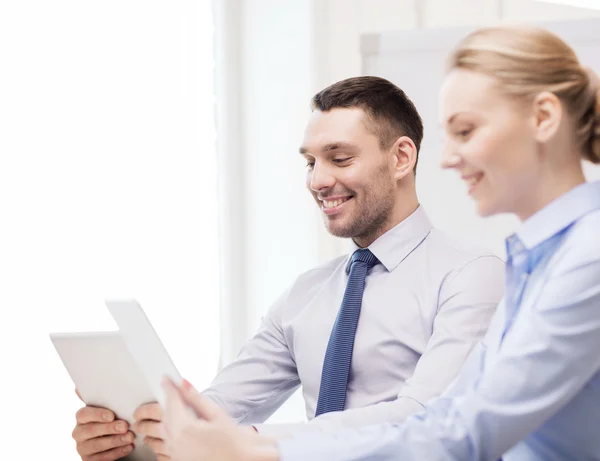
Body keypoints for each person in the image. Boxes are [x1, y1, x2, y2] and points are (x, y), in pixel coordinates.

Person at [159, 24, 600, 461]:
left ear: (543, 118)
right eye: (310, 162)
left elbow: (464, 431)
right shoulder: (533, 261)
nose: (447, 157)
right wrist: (155, 429)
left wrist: (262, 449)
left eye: (465, 132)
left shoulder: (583, 257)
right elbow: (451, 414)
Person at [71, 77, 504, 461]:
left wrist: (253, 445)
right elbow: (220, 407)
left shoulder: (471, 275)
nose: (317, 181)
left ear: (401, 158)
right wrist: (133, 440)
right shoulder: (307, 294)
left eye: (339, 158)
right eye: (310, 162)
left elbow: (425, 417)